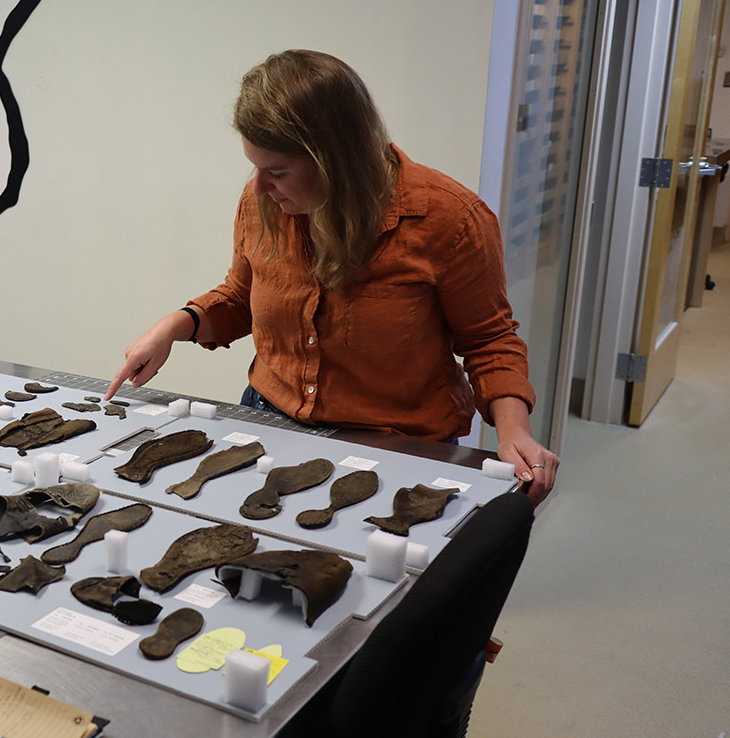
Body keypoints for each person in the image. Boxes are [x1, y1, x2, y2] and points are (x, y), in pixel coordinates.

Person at [105, 49, 558, 504]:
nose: (260, 186)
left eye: (278, 171)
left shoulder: (451, 219)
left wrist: (514, 432)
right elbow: (243, 296)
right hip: (270, 420)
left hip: (396, 444)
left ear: (335, 162)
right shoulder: (263, 200)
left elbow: (490, 341)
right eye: (256, 168)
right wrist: (173, 326)